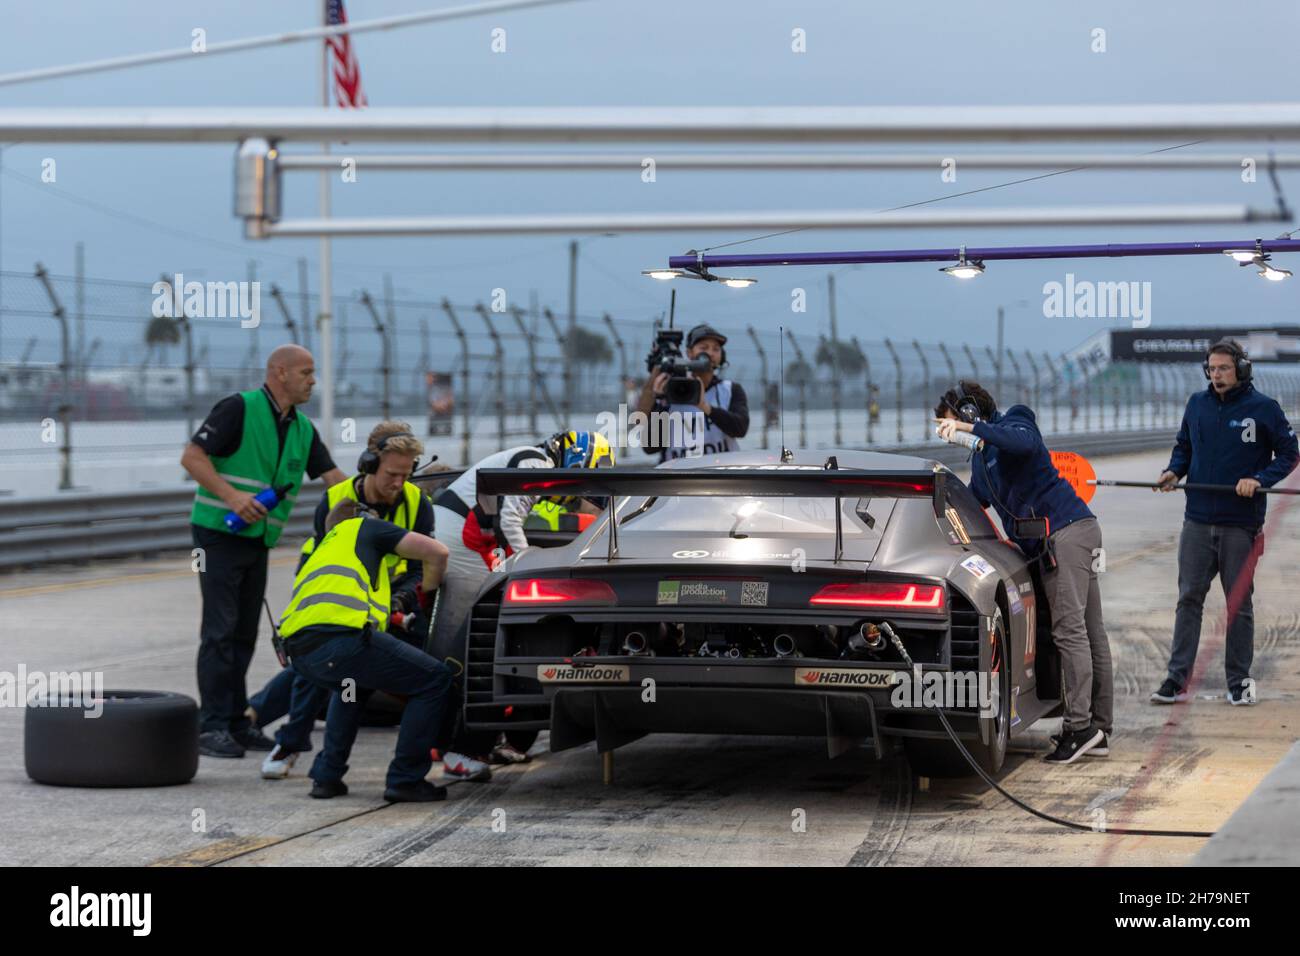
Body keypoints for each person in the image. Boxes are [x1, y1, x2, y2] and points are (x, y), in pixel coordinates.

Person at [249, 422, 449, 779]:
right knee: (315, 665)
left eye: (406, 475)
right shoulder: (336, 498)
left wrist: (404, 601)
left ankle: (443, 740)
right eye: (391, 474)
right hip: (346, 600)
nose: (398, 484)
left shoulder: (418, 503)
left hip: (395, 598)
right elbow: (328, 558)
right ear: (369, 464)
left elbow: (421, 567)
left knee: (424, 663)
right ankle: (291, 742)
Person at [181, 344, 346, 758]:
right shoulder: (239, 408)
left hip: (257, 540)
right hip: (219, 533)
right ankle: (212, 726)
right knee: (220, 631)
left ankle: (237, 722)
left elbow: (333, 479)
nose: (313, 380)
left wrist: (378, 498)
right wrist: (233, 496)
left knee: (243, 633)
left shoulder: (302, 428)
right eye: (306, 372)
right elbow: (192, 456)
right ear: (280, 372)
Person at [935, 380, 1113, 764]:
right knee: (1088, 631)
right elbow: (972, 501)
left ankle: (1080, 727)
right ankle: (1098, 729)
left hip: (1067, 533)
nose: (951, 435)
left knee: (1071, 631)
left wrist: (971, 430)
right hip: (1062, 539)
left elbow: (1024, 444)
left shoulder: (1017, 421)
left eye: (951, 425)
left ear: (969, 414)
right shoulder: (982, 462)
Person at [428, 430, 615, 769]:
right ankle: (451, 743)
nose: (577, 494)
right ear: (578, 457)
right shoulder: (535, 462)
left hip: (454, 534)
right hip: (457, 540)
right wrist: (526, 563)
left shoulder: (532, 461)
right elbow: (508, 519)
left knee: (458, 645)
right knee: (468, 645)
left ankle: (454, 737)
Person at [1150, 339, 1298, 707]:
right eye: (1211, 369)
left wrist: (1260, 479)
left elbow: (1291, 454)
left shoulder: (1265, 409)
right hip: (1197, 521)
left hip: (1240, 524)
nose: (1215, 375)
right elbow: (1184, 446)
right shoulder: (1196, 405)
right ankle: (1176, 679)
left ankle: (1239, 682)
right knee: (1188, 600)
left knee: (1239, 605)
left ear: (1242, 370)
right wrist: (1174, 471)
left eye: (1223, 369)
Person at [282, 498, 454, 802]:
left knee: (351, 688)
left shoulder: (324, 549)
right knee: (434, 679)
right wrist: (426, 591)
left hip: (299, 651)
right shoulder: (365, 526)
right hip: (342, 640)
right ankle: (405, 779)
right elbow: (437, 551)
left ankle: (326, 776)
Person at [636, 323, 749, 461]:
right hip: (678, 475)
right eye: (703, 348)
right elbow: (649, 447)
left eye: (716, 349)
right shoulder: (670, 391)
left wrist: (706, 408)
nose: (710, 353)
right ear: (689, 353)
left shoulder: (730, 390)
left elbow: (740, 428)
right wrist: (661, 404)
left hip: (722, 472)